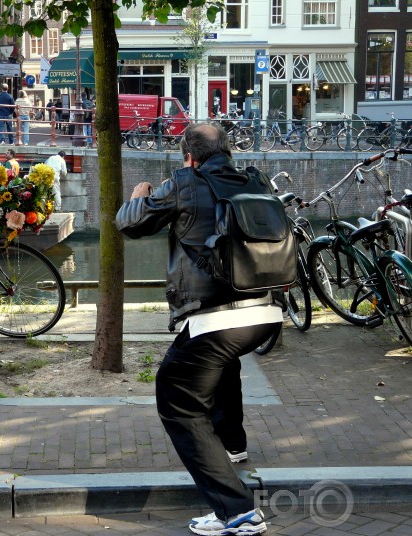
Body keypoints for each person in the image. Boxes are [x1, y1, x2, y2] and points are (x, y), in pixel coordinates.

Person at [115, 123, 282, 536]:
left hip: (215, 316)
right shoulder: (255, 179)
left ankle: (236, 510)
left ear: (188, 156)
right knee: (221, 364)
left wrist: (136, 199)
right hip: (264, 313)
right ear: (227, 150)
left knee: (178, 398)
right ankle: (232, 446)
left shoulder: (183, 182)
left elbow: (131, 224)